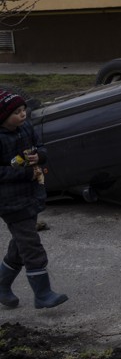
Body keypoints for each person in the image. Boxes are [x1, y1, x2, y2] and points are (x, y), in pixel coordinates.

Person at [0, 90, 67, 309]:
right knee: (31, 245)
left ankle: (1, 285)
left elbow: (41, 147)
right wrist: (25, 173)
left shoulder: (26, 127)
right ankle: (43, 294)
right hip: (10, 202)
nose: (22, 115)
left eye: (23, 110)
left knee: (21, 243)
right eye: (16, 113)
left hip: (32, 194)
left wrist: (39, 156)